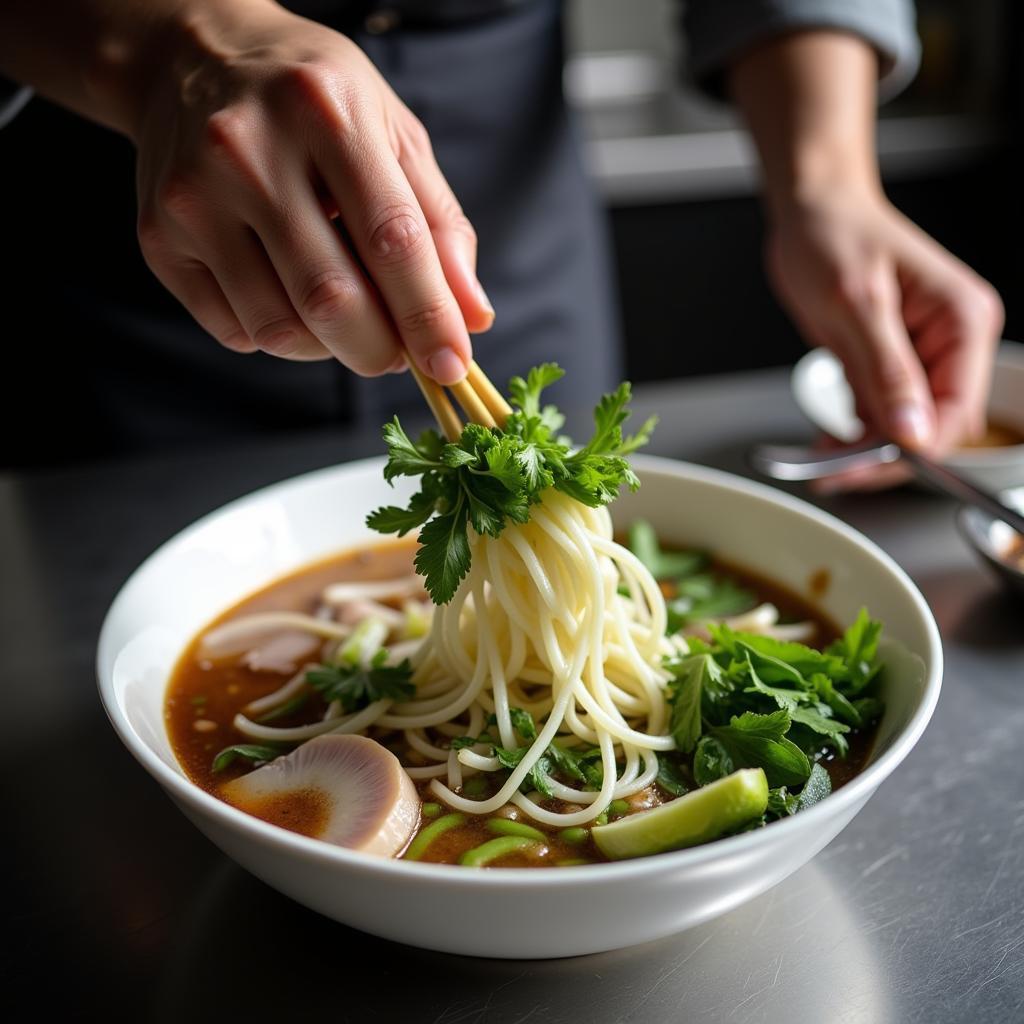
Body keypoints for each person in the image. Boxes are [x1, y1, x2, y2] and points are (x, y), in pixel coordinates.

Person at [0, 0, 1003, 484]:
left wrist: (826, 177)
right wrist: (164, 39)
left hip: (512, 203)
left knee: (557, 503)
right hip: (131, 224)